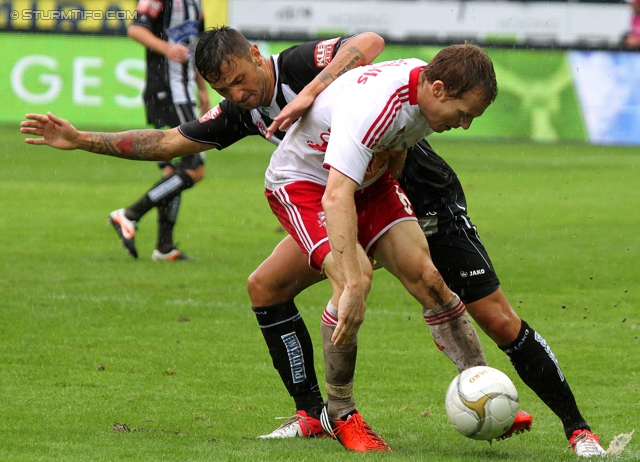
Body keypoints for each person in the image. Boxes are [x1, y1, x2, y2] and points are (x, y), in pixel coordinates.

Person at [20, 28, 605, 457]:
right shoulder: (249, 112)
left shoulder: (312, 62)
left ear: (257, 55)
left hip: (382, 181)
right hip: (316, 186)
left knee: (424, 281)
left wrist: (308, 95)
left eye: (244, 81)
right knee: (346, 286)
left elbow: (368, 43)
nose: (242, 95)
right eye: (227, 90)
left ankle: (480, 388)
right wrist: (80, 138)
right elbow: (168, 144)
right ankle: (337, 413)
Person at [108, 0, 210, 261]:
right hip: (167, 93)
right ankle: (130, 214)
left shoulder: (196, 4)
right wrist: (166, 48)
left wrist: (202, 87)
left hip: (183, 92)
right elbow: (135, 29)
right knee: (193, 168)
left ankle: (164, 247)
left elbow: (195, 45)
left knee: (173, 170)